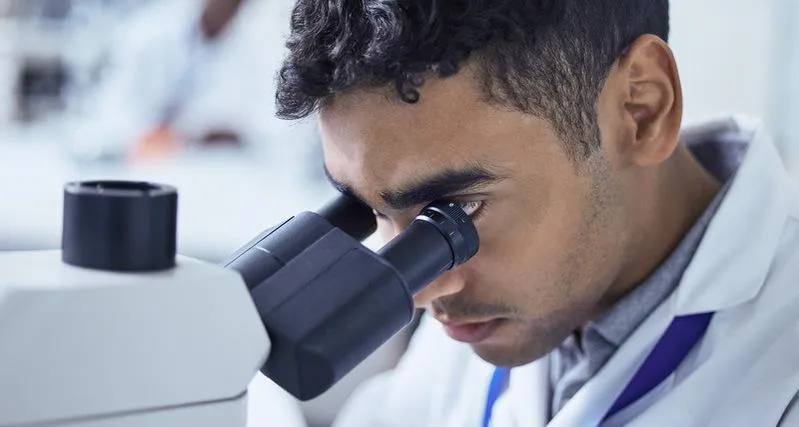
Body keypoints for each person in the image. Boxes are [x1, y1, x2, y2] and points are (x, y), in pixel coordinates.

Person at [273, 1, 799, 426]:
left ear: (640, 109)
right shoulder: (489, 303)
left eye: (460, 210)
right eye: (369, 209)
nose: (417, 293)